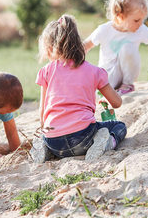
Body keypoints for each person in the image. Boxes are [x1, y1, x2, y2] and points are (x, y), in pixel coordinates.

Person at [30, 15, 127, 163]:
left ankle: (45, 147)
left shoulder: (46, 71)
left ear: (50, 49)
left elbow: (42, 110)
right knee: (119, 126)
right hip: (83, 138)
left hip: (54, 142)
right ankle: (107, 144)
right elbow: (117, 103)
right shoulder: (95, 72)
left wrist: (47, 131)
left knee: (47, 135)